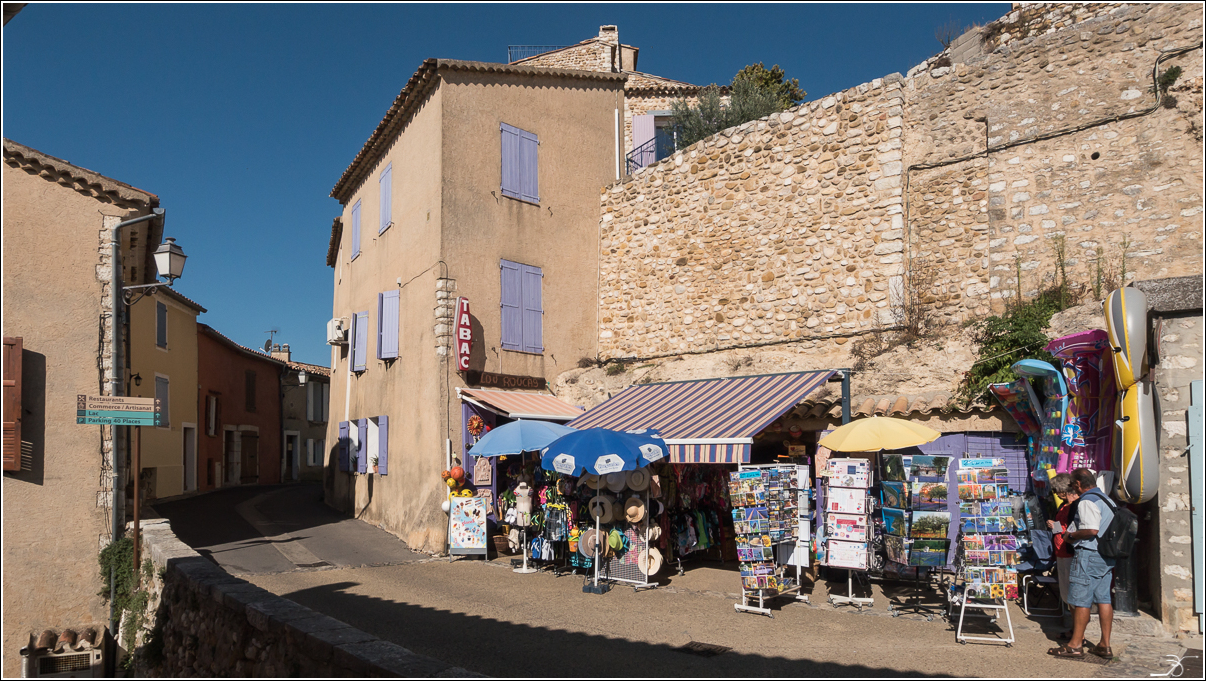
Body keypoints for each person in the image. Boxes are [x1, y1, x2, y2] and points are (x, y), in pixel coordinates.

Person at [1048, 468, 1115, 659]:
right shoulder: (1106, 499)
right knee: (1104, 599)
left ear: (1077, 484)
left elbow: (1091, 530)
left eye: (1073, 485)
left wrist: (1071, 535)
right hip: (1105, 555)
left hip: (1089, 553)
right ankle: (1104, 644)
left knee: (1080, 599)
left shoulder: (1087, 501)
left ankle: (1075, 644)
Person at [1046, 473, 1078, 638]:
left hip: (1067, 551)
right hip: (1061, 550)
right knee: (1066, 592)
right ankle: (1074, 630)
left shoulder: (1072, 506)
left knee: (1070, 592)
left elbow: (1072, 530)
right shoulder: (1065, 505)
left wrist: (1056, 527)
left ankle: (1076, 631)